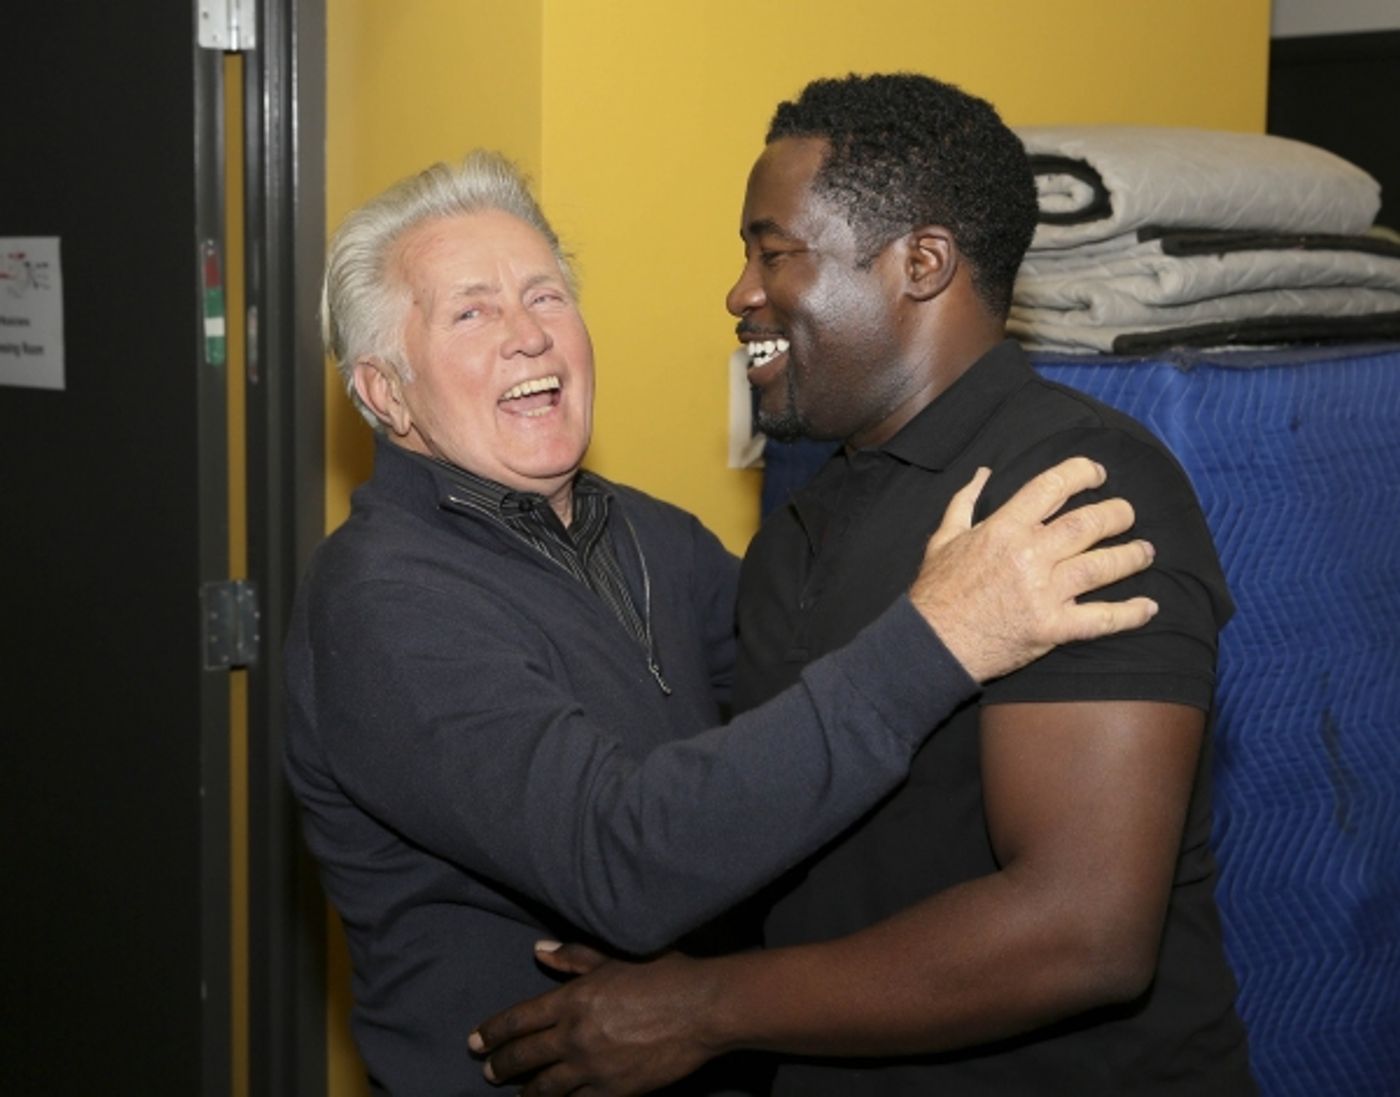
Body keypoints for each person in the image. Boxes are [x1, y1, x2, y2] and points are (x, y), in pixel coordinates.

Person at [283, 148, 1158, 1097]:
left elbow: (797, 718)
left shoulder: (654, 536)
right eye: (471, 311)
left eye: (544, 297)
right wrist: (945, 631)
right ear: (384, 393)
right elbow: (623, 858)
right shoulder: (379, 601)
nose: (529, 335)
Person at [471, 74, 1256, 1096]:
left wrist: (700, 1008)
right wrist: (672, 968)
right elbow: (821, 855)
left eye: (773, 251)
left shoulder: (1069, 486)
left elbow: (1082, 928)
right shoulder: (802, 525)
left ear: (919, 264)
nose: (739, 291)